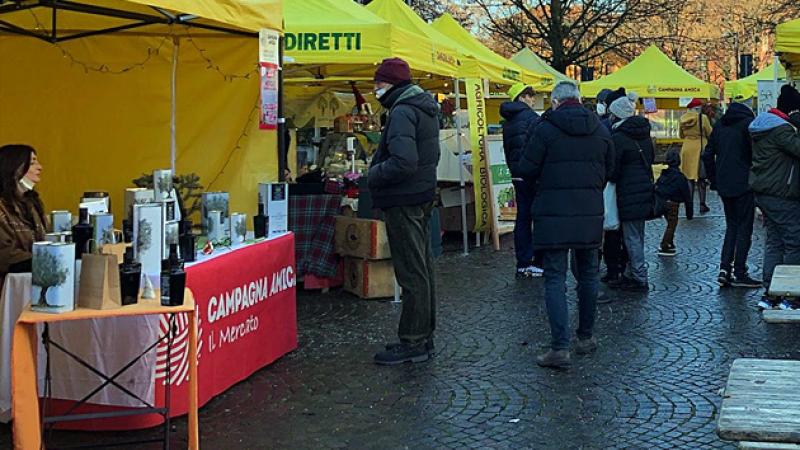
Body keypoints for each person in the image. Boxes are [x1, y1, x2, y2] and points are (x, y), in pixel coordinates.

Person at [518, 81, 614, 369]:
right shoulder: (600, 129)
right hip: (589, 214)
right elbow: (610, 169)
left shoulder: (544, 129)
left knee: (555, 279)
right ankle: (585, 337)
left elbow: (526, 168)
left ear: (556, 102)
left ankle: (559, 347)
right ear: (579, 100)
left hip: (552, 213)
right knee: (588, 276)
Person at [368, 58, 440, 364]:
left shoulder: (402, 111)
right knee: (422, 268)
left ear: (391, 84)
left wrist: (372, 174)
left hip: (404, 198)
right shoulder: (422, 108)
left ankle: (413, 340)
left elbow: (403, 161)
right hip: (420, 195)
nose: (375, 89)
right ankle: (423, 335)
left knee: (411, 271)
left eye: (378, 84)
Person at [702, 95, 760, 288]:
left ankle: (724, 268)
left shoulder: (720, 125)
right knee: (744, 229)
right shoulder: (748, 125)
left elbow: (708, 154)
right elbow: (755, 155)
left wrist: (714, 179)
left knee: (732, 227)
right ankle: (740, 271)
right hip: (744, 183)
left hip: (725, 184)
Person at [750, 84, 800, 310]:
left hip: (765, 192)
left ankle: (770, 294)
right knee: (793, 242)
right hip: (782, 194)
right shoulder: (782, 130)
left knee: (774, 243)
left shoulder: (763, 126)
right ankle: (790, 294)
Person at [606, 92, 654, 293]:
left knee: (631, 236)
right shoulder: (644, 134)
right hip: (643, 189)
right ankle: (630, 273)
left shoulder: (618, 137)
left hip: (628, 192)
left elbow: (614, 171)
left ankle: (639, 277)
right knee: (637, 234)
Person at [500, 82, 542, 278]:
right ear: (522, 98)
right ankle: (535, 260)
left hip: (516, 174)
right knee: (537, 217)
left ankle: (523, 261)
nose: (533, 99)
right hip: (532, 175)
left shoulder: (509, 120)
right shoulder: (531, 118)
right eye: (531, 96)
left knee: (523, 217)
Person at [0, 144, 46, 282]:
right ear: (14, 168)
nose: (39, 167)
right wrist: (45, 260)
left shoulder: (32, 204)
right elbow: (6, 255)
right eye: (32, 163)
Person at [598, 88, 629, 284]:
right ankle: (624, 267)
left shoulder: (610, 131)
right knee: (626, 232)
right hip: (630, 190)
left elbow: (609, 163)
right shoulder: (641, 130)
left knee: (611, 231)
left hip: (612, 185)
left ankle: (612, 269)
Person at [656, 150, 693, 256]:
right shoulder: (680, 177)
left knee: (670, 224)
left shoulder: (663, 176)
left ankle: (670, 243)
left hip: (663, 202)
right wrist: (689, 213)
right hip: (673, 204)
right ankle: (665, 244)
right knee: (672, 225)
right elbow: (687, 196)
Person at [680, 98, 713, 214]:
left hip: (687, 148)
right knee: (701, 178)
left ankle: (689, 205)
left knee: (688, 178)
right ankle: (702, 204)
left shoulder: (682, 118)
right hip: (700, 148)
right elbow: (710, 133)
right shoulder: (702, 118)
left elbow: (681, 135)